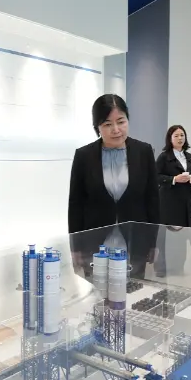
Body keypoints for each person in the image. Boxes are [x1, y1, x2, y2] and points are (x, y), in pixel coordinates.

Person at [68, 94, 160, 277]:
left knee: (134, 290)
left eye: (121, 122)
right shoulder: (84, 156)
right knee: (98, 291)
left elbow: (152, 200)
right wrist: (75, 247)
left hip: (135, 241)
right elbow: (75, 204)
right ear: (97, 127)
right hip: (95, 243)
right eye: (107, 124)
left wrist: (153, 242)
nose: (116, 130)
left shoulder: (144, 152)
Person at [154, 125, 191, 276]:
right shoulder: (164, 157)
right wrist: (174, 179)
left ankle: (178, 266)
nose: (180, 138)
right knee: (165, 236)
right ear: (170, 139)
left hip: (184, 200)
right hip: (168, 201)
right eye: (176, 136)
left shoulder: (188, 156)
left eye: (182, 135)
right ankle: (161, 268)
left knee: (181, 235)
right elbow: (156, 176)